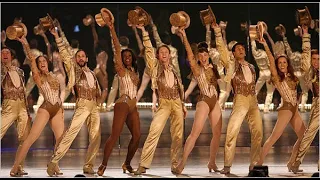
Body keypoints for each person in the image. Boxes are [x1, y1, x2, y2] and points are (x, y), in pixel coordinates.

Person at [172, 22, 229, 174]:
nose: (203, 57)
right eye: (201, 55)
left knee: (217, 134)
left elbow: (223, 74)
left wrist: (220, 32)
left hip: (215, 102)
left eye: (205, 54)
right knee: (195, 133)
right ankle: (182, 163)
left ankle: (211, 162)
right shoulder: (196, 69)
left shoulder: (215, 67)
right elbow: (190, 54)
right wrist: (184, 36)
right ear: (197, 57)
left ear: (209, 55)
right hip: (204, 100)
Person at [46, 27, 102, 176]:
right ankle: (53, 162)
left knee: (96, 136)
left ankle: (88, 166)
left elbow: (98, 92)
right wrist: (57, 36)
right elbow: (64, 54)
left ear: (87, 58)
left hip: (94, 107)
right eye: (78, 57)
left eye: (83, 56)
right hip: (82, 105)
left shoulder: (91, 73)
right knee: (71, 133)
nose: (81, 58)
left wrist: (99, 101)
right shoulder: (74, 70)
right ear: (76, 59)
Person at [134, 24, 187, 175]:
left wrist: (182, 104)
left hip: (176, 102)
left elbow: (180, 87)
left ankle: (174, 164)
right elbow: (149, 49)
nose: (164, 54)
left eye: (166, 52)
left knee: (177, 135)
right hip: (164, 103)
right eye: (161, 52)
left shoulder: (174, 70)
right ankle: (143, 164)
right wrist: (144, 32)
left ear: (170, 55)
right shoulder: (155, 67)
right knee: (154, 131)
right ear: (158, 56)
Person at [9, 35, 65, 177]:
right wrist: (25, 43)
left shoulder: (55, 75)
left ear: (48, 62)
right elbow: (31, 59)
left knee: (61, 140)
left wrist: (62, 106)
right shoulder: (37, 76)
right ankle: (15, 167)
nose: (41, 63)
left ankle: (54, 165)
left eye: (43, 61)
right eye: (39, 62)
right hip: (45, 108)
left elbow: (61, 91)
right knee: (31, 138)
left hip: (58, 109)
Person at [255, 27, 308, 172]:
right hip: (285, 110)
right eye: (280, 63)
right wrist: (265, 44)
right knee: (273, 138)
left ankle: (292, 163)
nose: (282, 65)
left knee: (304, 137)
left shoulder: (292, 76)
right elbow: (271, 60)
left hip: (294, 109)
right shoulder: (277, 78)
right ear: (277, 66)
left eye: (284, 62)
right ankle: (258, 163)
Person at [97, 18, 141, 176]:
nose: (127, 57)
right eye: (125, 56)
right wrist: (112, 29)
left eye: (129, 55)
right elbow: (116, 48)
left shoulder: (135, 72)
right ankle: (103, 165)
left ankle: (127, 164)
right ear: (121, 59)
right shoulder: (121, 70)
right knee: (115, 135)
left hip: (133, 106)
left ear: (133, 58)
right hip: (122, 103)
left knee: (137, 137)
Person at [220, 41, 263, 175]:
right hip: (240, 99)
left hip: (253, 100)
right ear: (233, 53)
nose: (241, 50)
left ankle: (254, 164)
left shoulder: (251, 66)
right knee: (232, 132)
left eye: (242, 48)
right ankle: (227, 165)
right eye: (238, 49)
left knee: (258, 132)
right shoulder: (232, 66)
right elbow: (223, 55)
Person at [290, 27, 319, 174]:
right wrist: (306, 36)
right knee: (309, 134)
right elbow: (306, 54)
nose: (316, 61)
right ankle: (296, 161)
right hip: (318, 104)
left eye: (318, 59)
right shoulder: (310, 71)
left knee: (309, 134)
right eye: (314, 59)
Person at [1, 46, 31, 176]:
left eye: (7, 52)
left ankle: (18, 167)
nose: (5, 54)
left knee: (24, 139)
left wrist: (27, 110)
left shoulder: (19, 71)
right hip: (9, 105)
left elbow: (24, 90)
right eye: (2, 53)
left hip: (22, 106)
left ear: (12, 56)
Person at [280, 25, 309, 112]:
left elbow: (287, 47)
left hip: (294, 74)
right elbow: (306, 49)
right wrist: (303, 36)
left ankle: (285, 105)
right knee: (305, 91)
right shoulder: (302, 55)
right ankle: (302, 107)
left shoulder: (291, 55)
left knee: (289, 91)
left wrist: (284, 36)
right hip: (301, 73)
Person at [250, 32, 275, 113]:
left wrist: (252, 39)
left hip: (261, 72)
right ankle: (266, 108)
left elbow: (253, 48)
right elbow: (269, 64)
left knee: (256, 90)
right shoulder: (264, 54)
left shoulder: (255, 54)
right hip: (268, 72)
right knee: (270, 91)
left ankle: (251, 105)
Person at [106, 35, 130, 111]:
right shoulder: (129, 52)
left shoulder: (117, 50)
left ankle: (108, 106)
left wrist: (111, 31)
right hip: (127, 73)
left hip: (119, 72)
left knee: (114, 89)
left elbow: (113, 42)